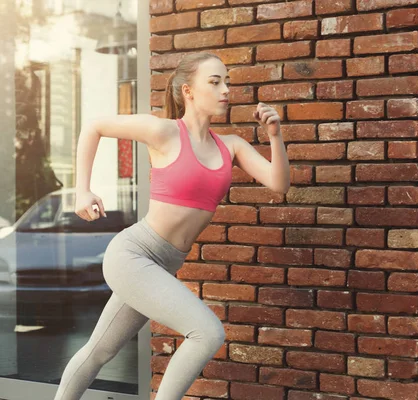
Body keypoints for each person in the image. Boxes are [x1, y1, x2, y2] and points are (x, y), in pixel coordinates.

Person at [53, 52, 290, 400]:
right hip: (133, 254)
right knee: (207, 333)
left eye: (227, 81)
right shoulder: (164, 131)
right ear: (188, 90)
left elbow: (278, 183)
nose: (225, 89)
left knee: (98, 351)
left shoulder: (231, 146)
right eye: (215, 82)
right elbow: (94, 126)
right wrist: (83, 189)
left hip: (162, 264)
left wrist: (274, 135)